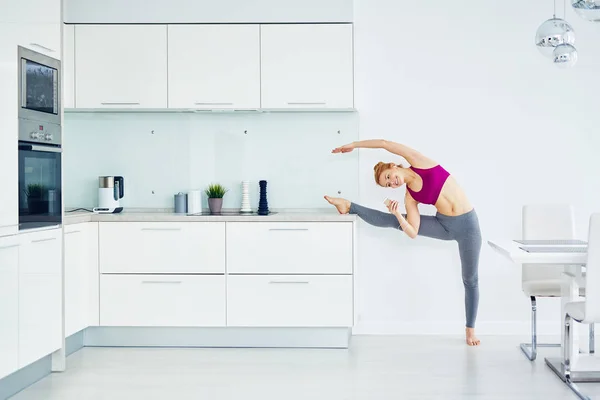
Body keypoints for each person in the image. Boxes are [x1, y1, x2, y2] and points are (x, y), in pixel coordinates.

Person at [324, 139, 482, 346]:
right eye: (388, 184)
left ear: (393, 166)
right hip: (444, 225)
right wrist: (398, 214)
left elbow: (384, 143)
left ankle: (470, 330)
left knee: (470, 279)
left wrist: (354, 145)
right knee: (392, 221)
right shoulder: (410, 196)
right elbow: (412, 232)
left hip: (468, 226)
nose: (392, 182)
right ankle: (349, 206)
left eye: (389, 177)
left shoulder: (419, 162)